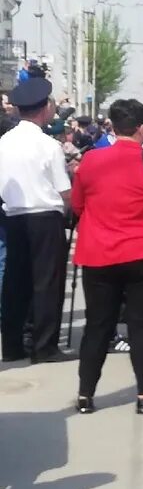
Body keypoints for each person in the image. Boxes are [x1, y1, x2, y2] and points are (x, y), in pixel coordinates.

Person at [71, 98, 143, 414]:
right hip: (140, 253)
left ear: (113, 126)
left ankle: (85, 396)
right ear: (142, 128)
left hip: (96, 254)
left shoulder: (90, 160)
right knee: (141, 326)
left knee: (97, 325)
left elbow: (77, 206)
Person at [0, 77, 78, 364]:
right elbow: (65, 191)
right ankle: (44, 347)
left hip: (14, 215)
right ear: (45, 108)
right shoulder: (48, 145)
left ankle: (11, 345)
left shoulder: (3, 142)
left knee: (15, 281)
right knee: (47, 283)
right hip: (45, 217)